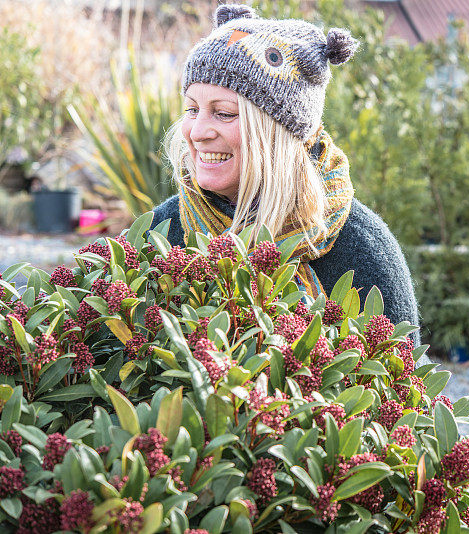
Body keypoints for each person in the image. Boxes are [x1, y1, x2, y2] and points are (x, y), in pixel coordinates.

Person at [149, 4, 421, 346]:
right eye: (192, 109)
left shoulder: (364, 250)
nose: (197, 131)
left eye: (224, 113)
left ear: (278, 133)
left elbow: (401, 388)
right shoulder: (162, 232)